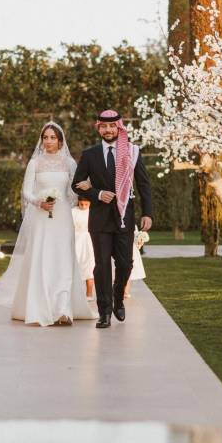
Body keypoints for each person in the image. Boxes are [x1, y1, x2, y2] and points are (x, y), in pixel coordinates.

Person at [0, 122, 97, 327]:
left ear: (60, 140)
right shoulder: (35, 163)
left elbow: (74, 190)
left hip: (63, 216)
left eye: (52, 137)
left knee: (63, 258)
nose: (48, 141)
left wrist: (84, 188)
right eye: (45, 137)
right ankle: (40, 306)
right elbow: (26, 191)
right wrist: (40, 202)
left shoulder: (69, 163)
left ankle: (63, 308)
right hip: (41, 216)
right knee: (43, 257)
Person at [72, 109, 152, 329]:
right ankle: (104, 312)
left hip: (124, 217)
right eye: (103, 127)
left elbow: (144, 184)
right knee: (102, 266)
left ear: (119, 127)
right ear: (98, 128)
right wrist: (97, 193)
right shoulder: (90, 154)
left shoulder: (132, 152)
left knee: (126, 264)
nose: (108, 130)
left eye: (112, 126)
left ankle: (118, 298)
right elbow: (76, 183)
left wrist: (148, 213)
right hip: (99, 219)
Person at [72, 198, 95, 299]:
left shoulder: (92, 212)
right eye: (81, 204)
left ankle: (89, 293)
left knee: (89, 265)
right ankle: (74, 292)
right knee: (75, 263)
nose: (84, 207)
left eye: (86, 204)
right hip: (76, 240)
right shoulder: (73, 211)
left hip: (88, 241)